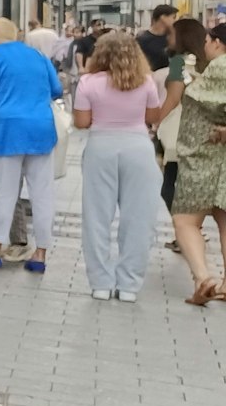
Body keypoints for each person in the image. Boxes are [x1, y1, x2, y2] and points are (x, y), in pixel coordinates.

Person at [0, 17, 63, 274]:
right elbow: (56, 89)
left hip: (7, 130)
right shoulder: (38, 56)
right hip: (41, 129)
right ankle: (40, 255)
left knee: (5, 193)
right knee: (42, 194)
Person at [72, 31, 163, 301]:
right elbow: (153, 116)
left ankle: (100, 283)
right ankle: (129, 285)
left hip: (101, 146)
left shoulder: (88, 82)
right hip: (138, 147)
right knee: (138, 218)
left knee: (97, 217)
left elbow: (81, 122)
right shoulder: (145, 81)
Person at [169, 21, 226, 305]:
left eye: (207, 41)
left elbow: (197, 99)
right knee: (224, 220)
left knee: (185, 220)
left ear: (216, 42)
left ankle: (204, 279)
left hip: (203, 156)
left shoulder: (219, 68)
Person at [161, 17, 212, 218]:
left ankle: (185, 227)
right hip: (207, 131)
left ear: (183, 37)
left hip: (181, 131)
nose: (168, 39)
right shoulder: (209, 62)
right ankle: (193, 226)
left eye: (171, 34)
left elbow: (173, 98)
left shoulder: (178, 63)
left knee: (170, 184)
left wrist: (156, 120)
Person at [138, 4, 176, 73]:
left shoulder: (171, 38)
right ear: (163, 17)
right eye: (173, 17)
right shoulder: (142, 39)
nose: (174, 21)